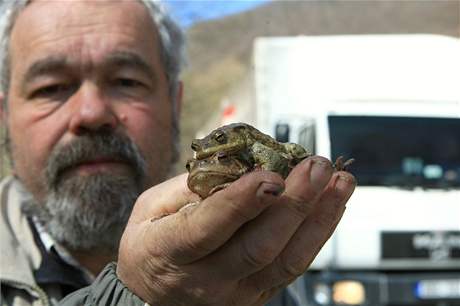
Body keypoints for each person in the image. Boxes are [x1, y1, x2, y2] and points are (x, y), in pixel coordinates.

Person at [0, 0, 356, 305]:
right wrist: (138, 295)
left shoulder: (260, 260)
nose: (92, 113)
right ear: (5, 116)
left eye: (126, 81)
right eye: (51, 87)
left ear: (175, 106)